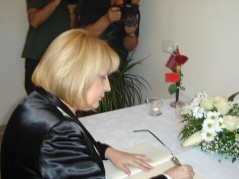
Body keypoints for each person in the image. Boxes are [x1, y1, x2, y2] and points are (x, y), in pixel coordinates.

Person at [1, 29, 194, 179]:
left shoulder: (37, 101)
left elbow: (72, 148)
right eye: (102, 77)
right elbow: (63, 142)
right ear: (76, 76)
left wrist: (108, 152)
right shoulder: (59, 132)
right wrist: (168, 176)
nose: (108, 87)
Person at [22, 0, 81, 94]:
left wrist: (72, 14)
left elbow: (75, 31)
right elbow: (34, 21)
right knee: (37, 101)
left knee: (63, 100)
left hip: (63, 60)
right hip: (38, 58)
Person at [77, 0, 140, 68]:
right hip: (92, 64)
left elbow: (129, 48)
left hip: (116, 68)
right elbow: (83, 36)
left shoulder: (132, 10)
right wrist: (107, 19)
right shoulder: (94, 3)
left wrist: (131, 34)